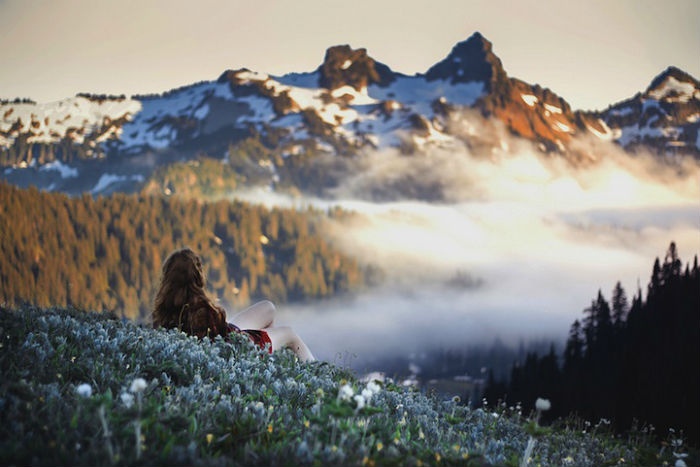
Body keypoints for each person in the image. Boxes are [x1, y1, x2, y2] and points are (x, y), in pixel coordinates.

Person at [152, 248, 315, 362]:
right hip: (237, 350)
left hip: (227, 337)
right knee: (290, 334)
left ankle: (269, 363)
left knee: (268, 308)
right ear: (197, 276)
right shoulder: (203, 309)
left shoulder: (163, 311)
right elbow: (222, 342)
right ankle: (319, 381)